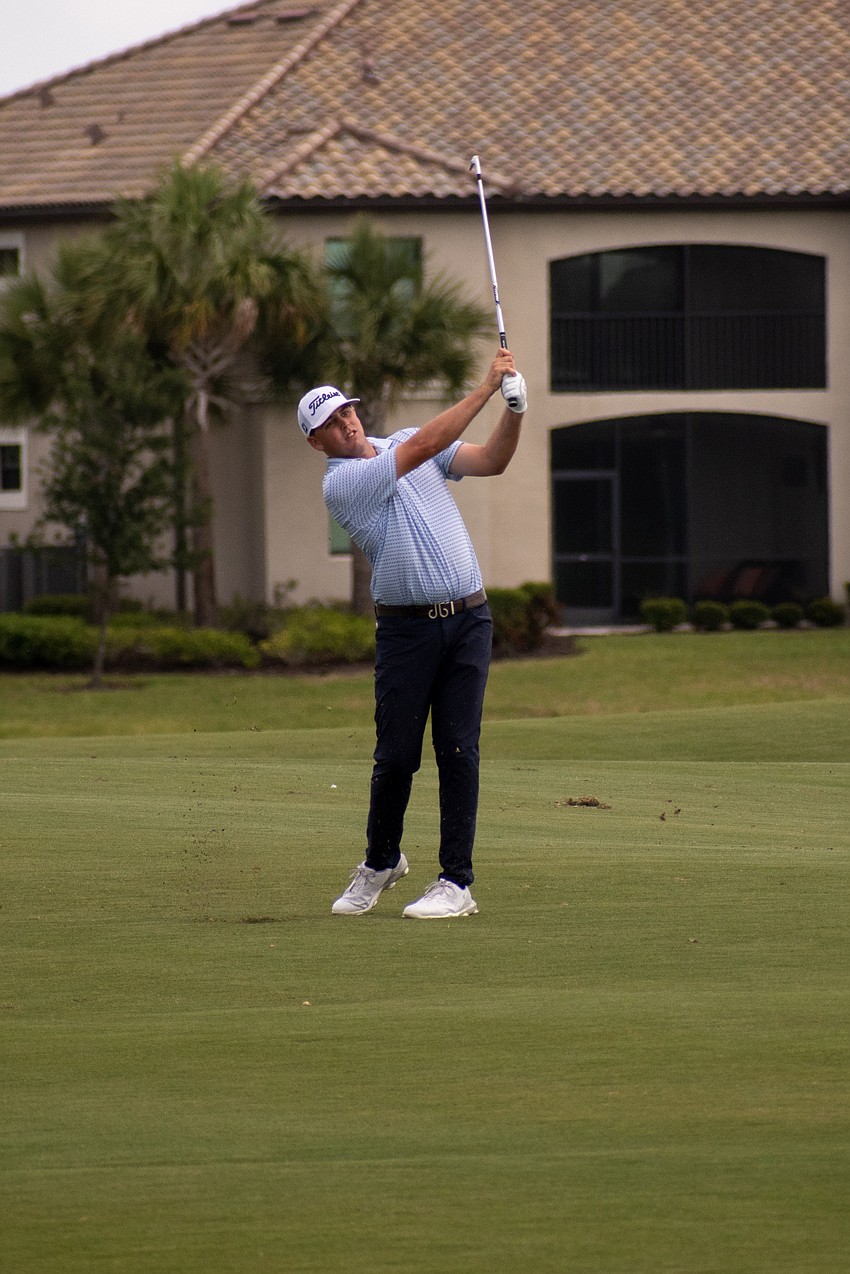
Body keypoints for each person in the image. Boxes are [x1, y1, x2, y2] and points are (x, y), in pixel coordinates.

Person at [297, 348, 527, 919]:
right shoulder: (343, 483)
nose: (345, 422)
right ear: (316, 442)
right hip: (406, 632)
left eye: (346, 411)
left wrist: (515, 410)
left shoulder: (402, 440)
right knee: (396, 756)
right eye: (330, 422)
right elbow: (423, 446)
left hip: (469, 620)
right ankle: (381, 861)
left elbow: (491, 460)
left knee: (458, 752)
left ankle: (456, 882)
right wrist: (485, 388)